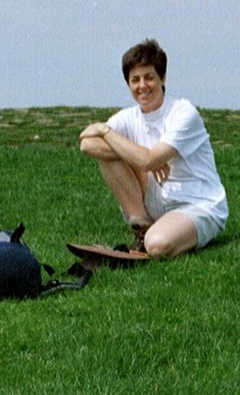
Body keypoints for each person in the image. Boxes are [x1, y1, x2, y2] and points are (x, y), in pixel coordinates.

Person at [79, 39, 228, 258]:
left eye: (149, 77)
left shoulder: (183, 112)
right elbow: (86, 143)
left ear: (163, 78)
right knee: (108, 156)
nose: (142, 86)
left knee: (157, 245)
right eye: (135, 80)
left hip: (197, 204)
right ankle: (142, 228)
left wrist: (106, 132)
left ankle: (159, 237)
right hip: (158, 198)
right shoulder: (128, 117)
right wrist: (128, 149)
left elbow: (148, 161)